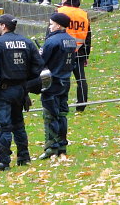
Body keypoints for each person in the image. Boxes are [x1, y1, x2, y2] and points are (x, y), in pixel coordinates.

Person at [0, 14, 43, 172]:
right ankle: (23, 156)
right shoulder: (27, 42)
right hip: (21, 90)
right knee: (19, 124)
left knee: (3, 126)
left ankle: (4, 161)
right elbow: (38, 66)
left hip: (4, 90)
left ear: (4, 26)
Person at [38, 13, 78, 159]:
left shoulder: (52, 41)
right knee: (62, 114)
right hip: (65, 80)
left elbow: (40, 61)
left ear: (58, 25)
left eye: (51, 24)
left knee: (50, 115)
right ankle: (62, 145)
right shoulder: (71, 41)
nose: (50, 26)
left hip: (52, 82)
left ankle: (51, 147)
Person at [57, 0, 91, 112]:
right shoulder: (83, 14)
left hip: (62, 51)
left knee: (62, 78)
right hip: (79, 50)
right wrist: (86, 54)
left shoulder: (60, 11)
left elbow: (51, 32)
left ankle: (61, 104)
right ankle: (81, 105)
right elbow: (88, 36)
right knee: (81, 79)